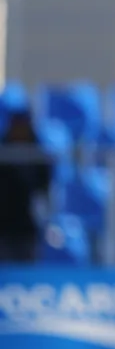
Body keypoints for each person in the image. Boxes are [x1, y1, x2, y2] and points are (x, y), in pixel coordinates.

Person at [0, 109, 52, 263]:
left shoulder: (38, 156)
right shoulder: (3, 154)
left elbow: (43, 189)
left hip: (27, 228)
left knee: (27, 267)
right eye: (17, 126)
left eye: (23, 126)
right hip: (3, 227)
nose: (20, 131)